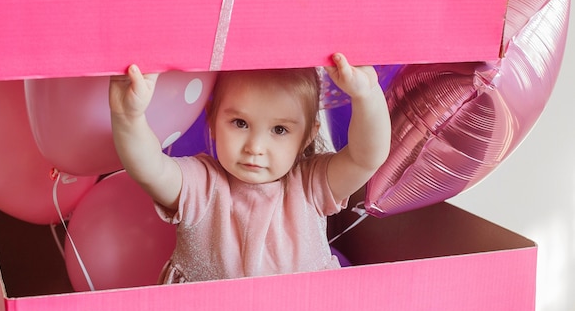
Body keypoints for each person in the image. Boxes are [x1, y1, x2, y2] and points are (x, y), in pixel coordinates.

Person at [109, 53, 391, 284]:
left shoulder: (310, 184)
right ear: (213, 121)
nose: (255, 146)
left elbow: (365, 157)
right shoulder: (202, 184)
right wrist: (127, 118)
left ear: (307, 135)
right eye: (240, 123)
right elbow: (149, 169)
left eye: (279, 130)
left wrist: (367, 96)